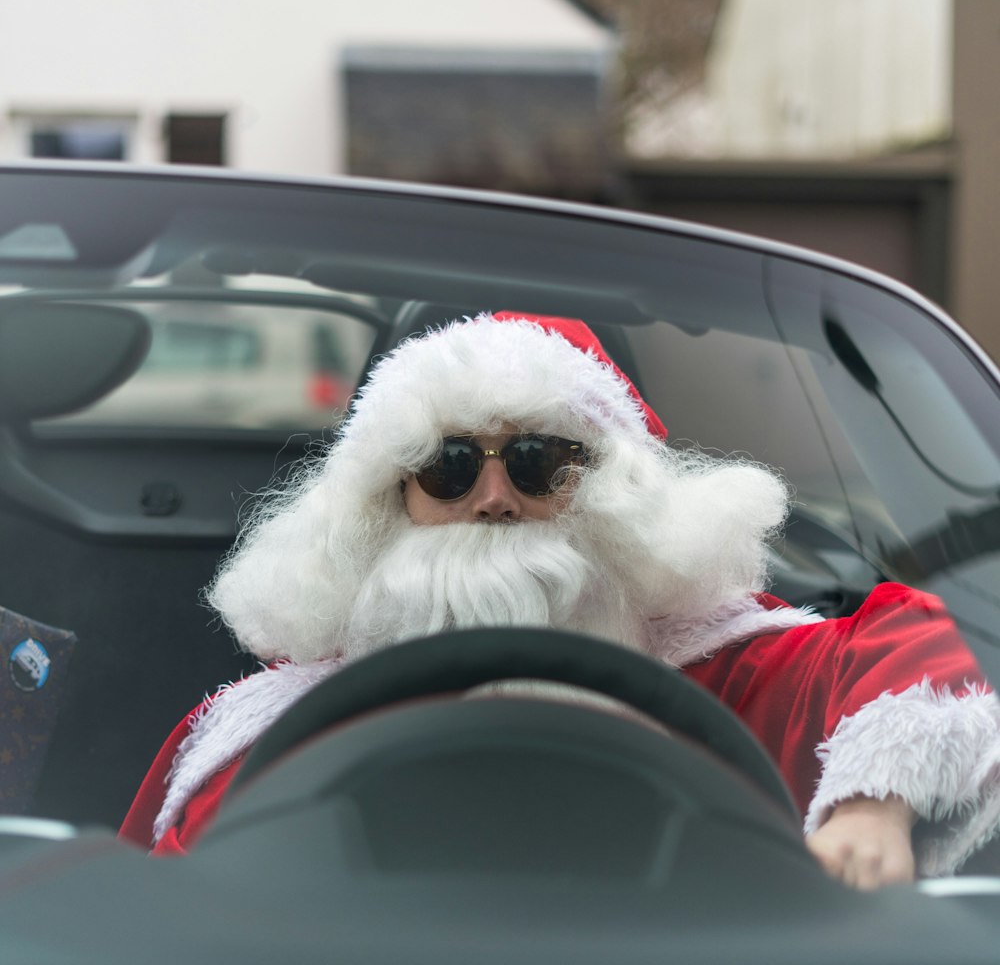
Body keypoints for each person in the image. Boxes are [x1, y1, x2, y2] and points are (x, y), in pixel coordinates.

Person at [120, 311, 1000, 885]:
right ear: (391, 503)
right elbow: (157, 938)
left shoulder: (739, 674)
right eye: (448, 466)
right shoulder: (263, 736)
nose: (493, 498)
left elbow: (944, 642)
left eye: (539, 463)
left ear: (611, 492)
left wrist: (872, 804)